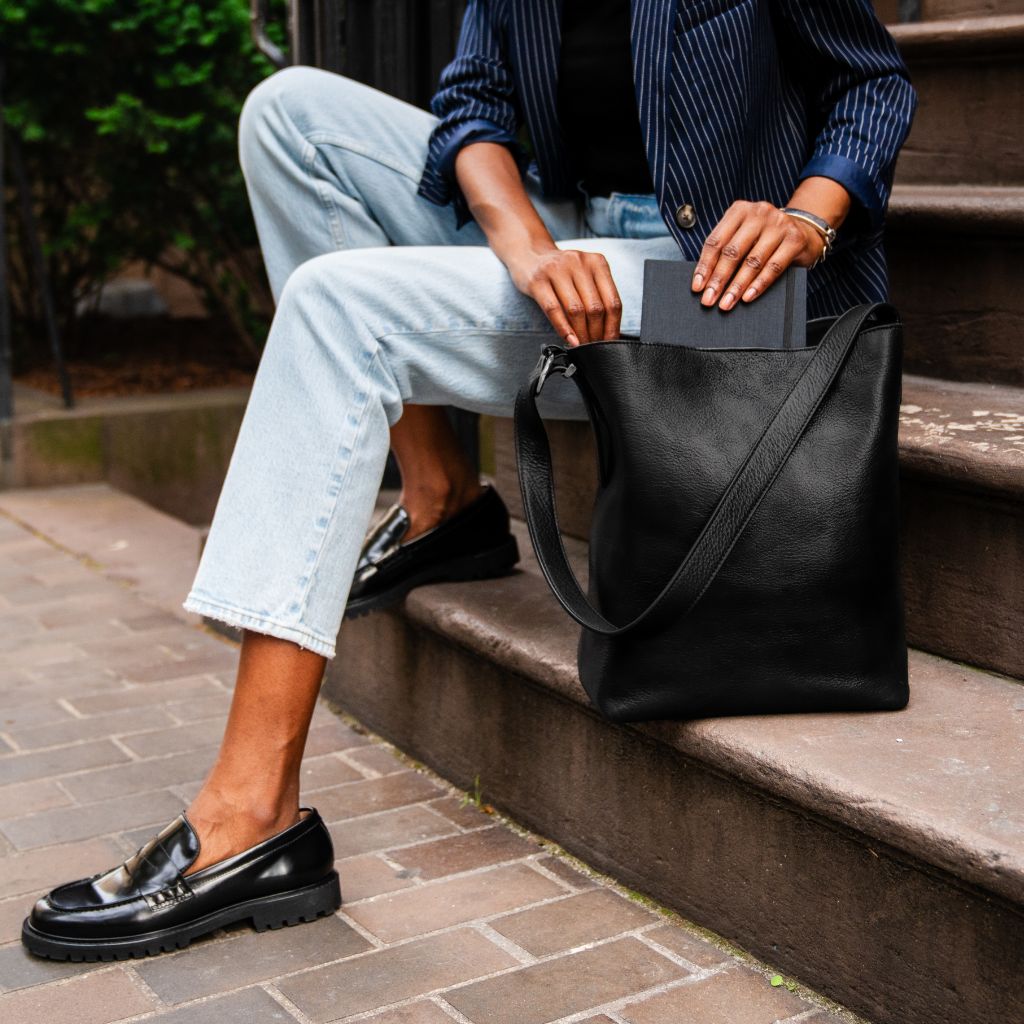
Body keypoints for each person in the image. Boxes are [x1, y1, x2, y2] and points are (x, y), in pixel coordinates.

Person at [22, 0, 916, 961]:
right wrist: (528, 246)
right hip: (571, 241)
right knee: (286, 110)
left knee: (339, 306)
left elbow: (871, 82)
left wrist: (806, 215)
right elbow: (472, 108)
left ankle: (252, 809)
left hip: (715, 277)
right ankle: (440, 494)